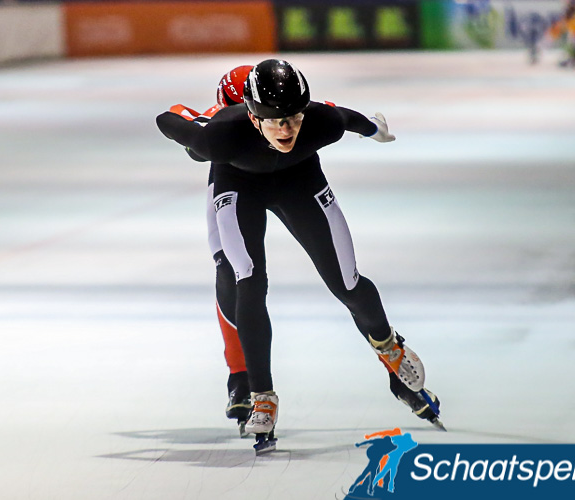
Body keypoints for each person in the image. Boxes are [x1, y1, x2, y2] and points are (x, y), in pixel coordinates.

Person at [157, 59, 441, 440]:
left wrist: (374, 130)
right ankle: (260, 394)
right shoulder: (219, 136)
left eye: (293, 117)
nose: (287, 128)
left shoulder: (320, 122)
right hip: (239, 183)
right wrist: (190, 123)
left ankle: (389, 347)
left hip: (299, 178)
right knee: (247, 279)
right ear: (251, 116)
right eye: (275, 120)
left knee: (347, 282)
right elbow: (168, 120)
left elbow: (346, 117)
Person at [167, 65, 255, 434]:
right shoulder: (221, 117)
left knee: (230, 269)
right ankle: (240, 375)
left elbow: (176, 112)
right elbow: (178, 113)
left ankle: (239, 373)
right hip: (232, 185)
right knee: (229, 268)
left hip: (281, 183)